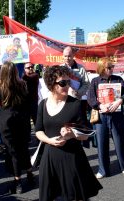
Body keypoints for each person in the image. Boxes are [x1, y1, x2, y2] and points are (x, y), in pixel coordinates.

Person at [35, 65, 102, 201]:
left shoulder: (75, 104)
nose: (67, 86)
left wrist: (71, 134)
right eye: (62, 83)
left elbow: (85, 135)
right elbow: (38, 131)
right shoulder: (42, 104)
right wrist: (50, 141)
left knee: (73, 197)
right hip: (50, 160)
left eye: (69, 82)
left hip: (72, 159)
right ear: (51, 84)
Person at [0, 61, 34, 194]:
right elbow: (28, 102)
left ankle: (18, 182)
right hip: (22, 121)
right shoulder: (22, 85)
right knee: (23, 149)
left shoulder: (1, 88)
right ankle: (29, 173)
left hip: (7, 123)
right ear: (15, 72)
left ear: (2, 73)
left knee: (13, 152)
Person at [87, 58, 124, 179]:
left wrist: (119, 102)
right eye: (108, 67)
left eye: (112, 67)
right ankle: (103, 169)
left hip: (116, 114)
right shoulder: (95, 81)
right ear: (102, 68)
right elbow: (90, 98)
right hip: (102, 115)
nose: (111, 69)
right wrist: (100, 105)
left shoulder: (118, 79)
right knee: (101, 142)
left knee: (119, 140)